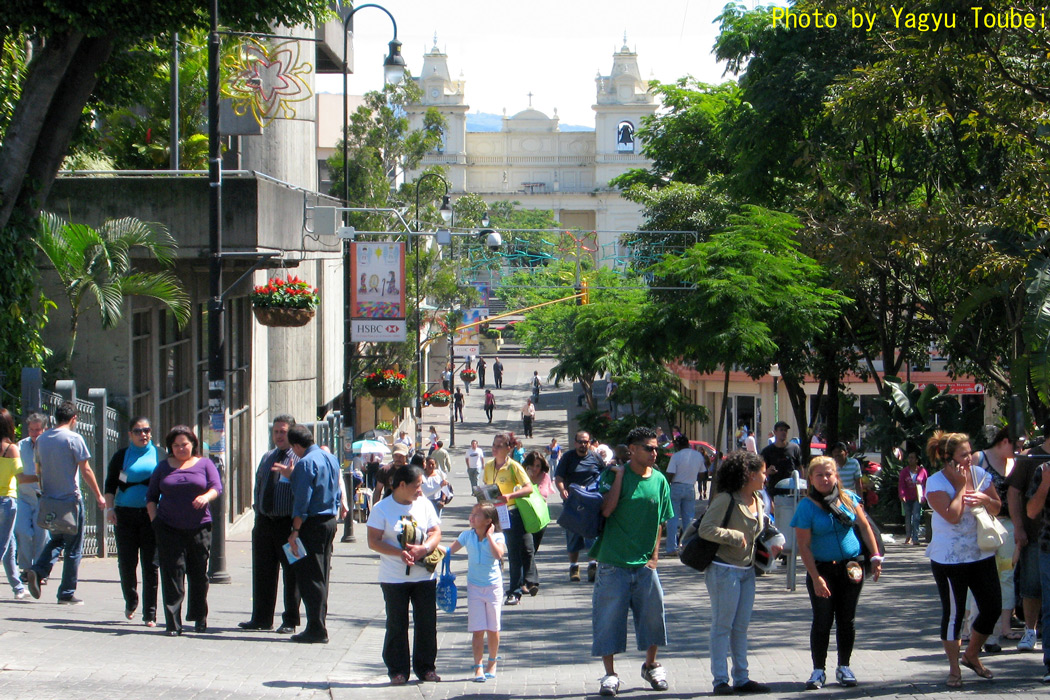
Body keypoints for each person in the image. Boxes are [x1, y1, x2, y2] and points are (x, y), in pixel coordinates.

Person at [590, 426, 673, 697]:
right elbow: (606, 509)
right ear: (632, 450)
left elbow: (662, 520)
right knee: (608, 620)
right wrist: (619, 477)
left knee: (653, 617)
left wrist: (655, 556)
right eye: (649, 448)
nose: (654, 453)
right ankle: (610, 675)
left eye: (656, 448)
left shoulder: (659, 480)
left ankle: (651, 666)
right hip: (613, 562)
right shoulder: (614, 475)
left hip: (645, 565)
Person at [792, 456, 882, 690]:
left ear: (836, 476)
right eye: (819, 475)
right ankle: (818, 670)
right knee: (823, 620)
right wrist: (815, 577)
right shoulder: (807, 506)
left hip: (851, 567)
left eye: (828, 474)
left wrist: (875, 556)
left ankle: (844, 666)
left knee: (847, 618)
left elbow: (864, 526)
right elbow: (804, 546)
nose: (824, 479)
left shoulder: (848, 498)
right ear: (810, 478)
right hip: (822, 569)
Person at [925, 431, 1000, 688]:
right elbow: (953, 516)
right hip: (949, 559)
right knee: (954, 615)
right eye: (963, 454)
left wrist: (986, 499)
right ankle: (954, 668)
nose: (969, 458)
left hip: (981, 553)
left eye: (970, 453)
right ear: (948, 458)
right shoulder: (935, 483)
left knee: (992, 607)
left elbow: (998, 506)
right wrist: (960, 487)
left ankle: (971, 654)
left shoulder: (980, 475)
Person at [698, 450, 776, 695]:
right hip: (724, 571)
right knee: (722, 626)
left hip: (747, 571)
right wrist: (733, 536)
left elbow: (762, 529)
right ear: (750, 474)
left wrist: (775, 540)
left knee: (741, 627)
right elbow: (705, 529)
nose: (766, 477)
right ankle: (720, 680)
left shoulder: (758, 499)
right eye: (763, 472)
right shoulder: (726, 499)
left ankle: (742, 678)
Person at [366, 462, 442, 685]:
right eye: (417, 486)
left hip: (423, 576)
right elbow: (373, 541)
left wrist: (424, 549)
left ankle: (426, 667)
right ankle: (397, 670)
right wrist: (399, 553)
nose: (421, 490)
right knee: (397, 623)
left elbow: (435, 531)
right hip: (394, 577)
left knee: (427, 623)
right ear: (401, 485)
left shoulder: (424, 505)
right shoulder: (382, 508)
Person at [25, 400, 106, 605]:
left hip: (50, 500)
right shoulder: (74, 438)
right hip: (71, 500)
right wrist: (99, 495)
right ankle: (66, 593)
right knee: (73, 548)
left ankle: (38, 570)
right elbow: (85, 469)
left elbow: (38, 470)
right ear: (73, 419)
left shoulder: (42, 440)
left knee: (57, 539)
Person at [146, 425, 222, 635]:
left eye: (185, 444)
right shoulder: (163, 467)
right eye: (176, 445)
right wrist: (155, 522)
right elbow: (151, 496)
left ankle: (199, 617)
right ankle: (173, 622)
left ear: (193, 444)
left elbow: (217, 487)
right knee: (172, 573)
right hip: (169, 527)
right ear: (171, 447)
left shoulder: (205, 464)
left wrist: (206, 497)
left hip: (199, 527)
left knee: (198, 575)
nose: (180, 449)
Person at [275, 424, 342, 644]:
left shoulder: (305, 463)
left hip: (311, 523)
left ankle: (315, 627)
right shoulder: (329, 457)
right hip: (329, 520)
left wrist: (295, 531)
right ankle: (318, 623)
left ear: (295, 445)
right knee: (322, 574)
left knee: (310, 576)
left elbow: (302, 502)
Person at [238, 414, 301, 634]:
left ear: (291, 433)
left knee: (292, 574)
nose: (279, 436)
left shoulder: (298, 459)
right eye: (276, 431)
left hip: (289, 526)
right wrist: (258, 516)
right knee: (263, 572)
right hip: (265, 523)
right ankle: (261, 618)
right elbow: (259, 486)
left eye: (283, 431)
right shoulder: (267, 457)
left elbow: (304, 492)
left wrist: (293, 476)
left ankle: (290, 620)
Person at [103, 416, 161, 626]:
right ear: (130, 435)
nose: (143, 434)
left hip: (151, 516)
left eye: (146, 430)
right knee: (127, 563)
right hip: (125, 515)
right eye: (137, 431)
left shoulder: (159, 455)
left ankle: (150, 613)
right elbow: (110, 485)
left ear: (151, 432)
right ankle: (131, 600)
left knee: (150, 565)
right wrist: (110, 509)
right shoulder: (122, 457)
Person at [969, 428, 1017, 653]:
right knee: (979, 578)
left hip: (1007, 524)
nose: (1018, 451)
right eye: (1015, 446)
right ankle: (973, 629)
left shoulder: (1014, 462)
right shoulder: (980, 458)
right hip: (982, 525)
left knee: (1006, 576)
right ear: (1005, 441)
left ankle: (1001, 629)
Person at [448, 503, 506, 682]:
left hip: (493, 587)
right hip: (474, 587)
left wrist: (489, 537)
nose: (471, 518)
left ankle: (492, 662)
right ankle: (478, 666)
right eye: (471, 514)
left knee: (493, 628)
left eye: (476, 515)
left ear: (489, 520)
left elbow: (499, 555)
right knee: (478, 629)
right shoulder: (467, 536)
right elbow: (449, 550)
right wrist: (427, 549)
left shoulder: (497, 536)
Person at [1006, 424, 1048, 652]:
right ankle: (1029, 631)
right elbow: (1013, 492)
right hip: (1035, 534)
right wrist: (1018, 527)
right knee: (1032, 586)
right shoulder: (1030, 458)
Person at [484, 431, 535, 606]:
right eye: (494, 445)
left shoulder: (514, 466)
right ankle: (491, 587)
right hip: (492, 513)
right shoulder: (489, 466)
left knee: (514, 552)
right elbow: (487, 486)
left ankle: (515, 591)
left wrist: (510, 495)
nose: (495, 449)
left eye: (499, 446)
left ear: (508, 448)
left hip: (510, 512)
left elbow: (529, 488)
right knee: (490, 549)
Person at [555, 430, 603, 582]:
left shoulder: (595, 457)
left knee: (592, 535)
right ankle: (574, 567)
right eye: (580, 441)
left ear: (589, 443)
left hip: (590, 502)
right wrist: (562, 490)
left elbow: (604, 474)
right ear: (575, 443)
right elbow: (559, 477)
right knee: (573, 534)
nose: (583, 444)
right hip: (573, 502)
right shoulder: (568, 457)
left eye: (586, 442)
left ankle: (592, 566)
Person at [14, 412, 47, 578]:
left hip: (43, 497)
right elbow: (16, 473)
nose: (34, 433)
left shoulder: (49, 446)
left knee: (42, 535)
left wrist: (29, 478)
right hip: (23, 497)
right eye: (32, 430)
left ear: (44, 429)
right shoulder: (20, 446)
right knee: (22, 530)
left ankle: (39, 571)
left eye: (38, 430)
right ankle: (26, 568)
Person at [0, 409, 27, 599]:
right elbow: (21, 477)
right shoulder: (11, 449)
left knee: (10, 545)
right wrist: (41, 477)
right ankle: (17, 588)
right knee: (2, 544)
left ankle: (17, 588)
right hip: (6, 501)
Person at [664, 435, 706, 554]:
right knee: (688, 518)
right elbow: (703, 474)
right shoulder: (697, 456)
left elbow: (670, 473)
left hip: (676, 486)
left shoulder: (676, 456)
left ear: (677, 445)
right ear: (688, 443)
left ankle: (672, 548)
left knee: (673, 518)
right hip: (690, 487)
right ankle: (687, 546)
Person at [522, 451, 552, 586]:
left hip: (540, 517)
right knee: (527, 550)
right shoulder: (521, 476)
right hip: (525, 516)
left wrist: (528, 486)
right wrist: (526, 479)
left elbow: (542, 493)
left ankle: (528, 579)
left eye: (538, 466)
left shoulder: (544, 477)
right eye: (532, 465)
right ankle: (529, 582)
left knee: (533, 550)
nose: (535, 469)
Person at [761, 421, 803, 497]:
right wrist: (768, 472)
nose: (784, 432)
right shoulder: (767, 451)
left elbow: (800, 468)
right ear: (775, 432)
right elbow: (760, 472)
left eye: (785, 430)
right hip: (774, 491)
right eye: (781, 430)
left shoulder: (794, 448)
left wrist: (802, 488)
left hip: (792, 490)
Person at [899, 449, 928, 546]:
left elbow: (925, 484)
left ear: (916, 460)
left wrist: (924, 496)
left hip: (918, 498)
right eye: (909, 458)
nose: (910, 460)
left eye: (912, 458)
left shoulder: (922, 471)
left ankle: (915, 538)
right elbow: (901, 485)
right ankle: (908, 537)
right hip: (907, 498)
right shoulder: (904, 472)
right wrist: (902, 495)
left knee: (916, 517)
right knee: (908, 517)